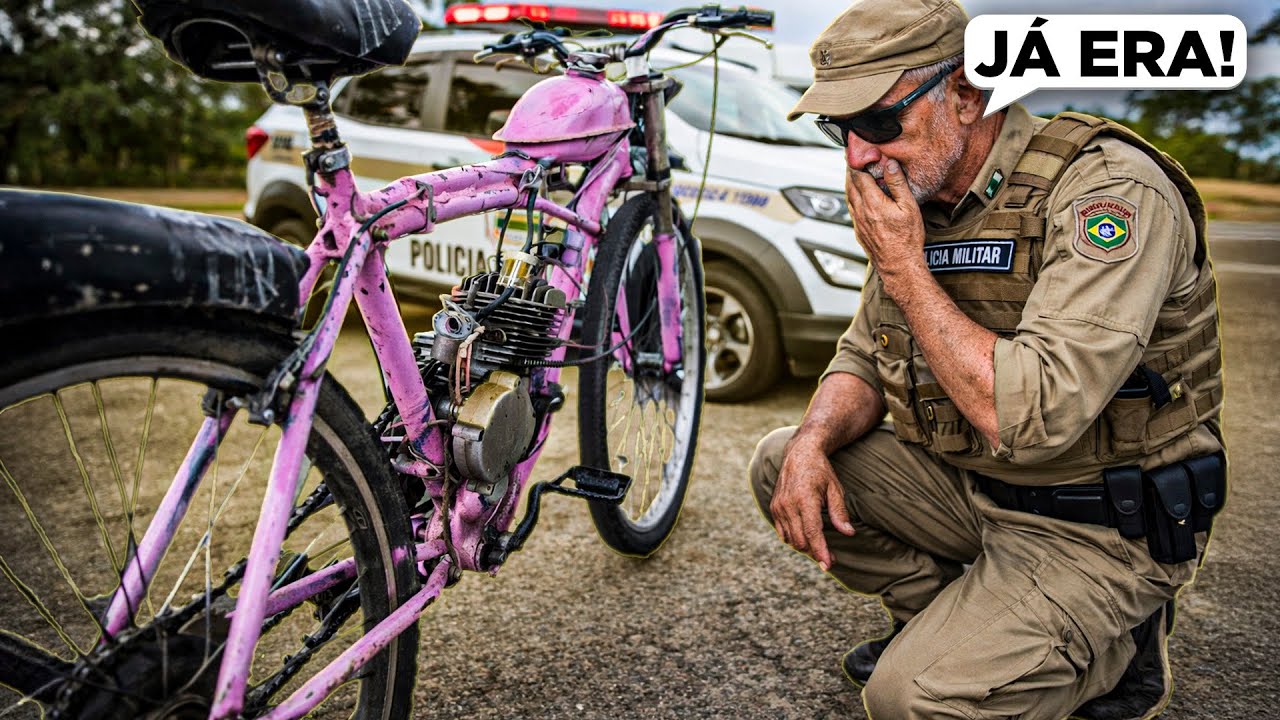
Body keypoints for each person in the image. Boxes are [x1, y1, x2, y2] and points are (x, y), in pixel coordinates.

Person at [747, 1, 1227, 718]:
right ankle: (950, 618)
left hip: (1099, 524)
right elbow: (863, 356)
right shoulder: (920, 190)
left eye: (879, 123)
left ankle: (1115, 647)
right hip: (979, 493)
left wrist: (907, 271)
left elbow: (1032, 416)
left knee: (910, 700)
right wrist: (814, 440)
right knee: (784, 460)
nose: (856, 155)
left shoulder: (1108, 192)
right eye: (837, 128)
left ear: (966, 95)